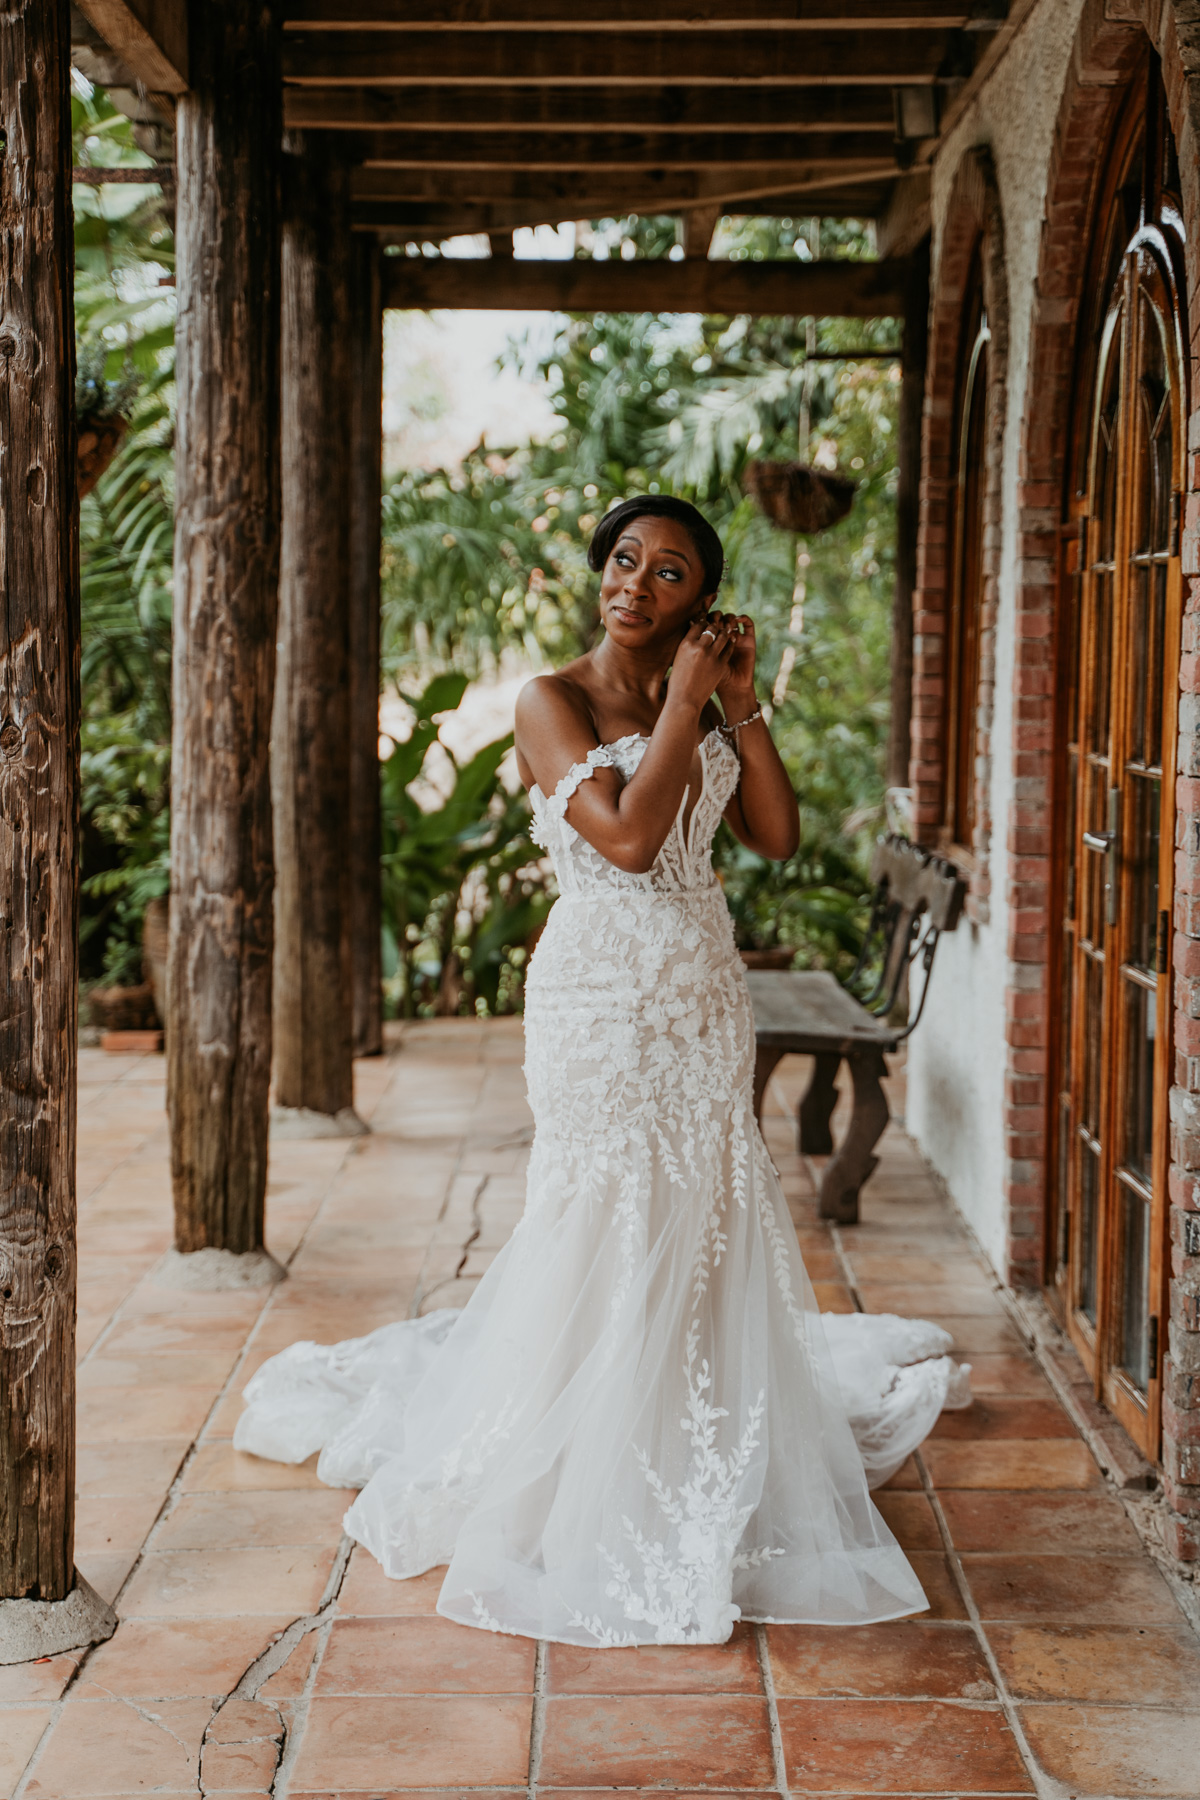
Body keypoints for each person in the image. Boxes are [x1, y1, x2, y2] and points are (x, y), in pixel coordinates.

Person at [235, 494, 969, 1647]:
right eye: (625, 559)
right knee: (609, 1206)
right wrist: (681, 701)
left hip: (701, 991)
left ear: (701, 600)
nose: (636, 582)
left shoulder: (702, 700)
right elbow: (625, 837)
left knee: (709, 1201)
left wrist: (739, 701)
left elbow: (772, 836)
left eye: (671, 572)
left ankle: (691, 1428)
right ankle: (579, 1451)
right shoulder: (551, 701)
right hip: (600, 996)